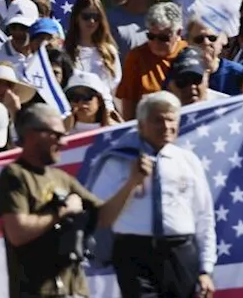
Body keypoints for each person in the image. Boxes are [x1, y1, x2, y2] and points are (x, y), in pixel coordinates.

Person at [0, 104, 148, 298]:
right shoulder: (15, 175)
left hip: (73, 289)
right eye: (57, 135)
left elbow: (104, 217)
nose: (64, 143)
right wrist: (61, 212)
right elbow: (17, 232)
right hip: (36, 291)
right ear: (34, 134)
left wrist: (132, 183)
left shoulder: (62, 178)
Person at [89, 92, 217, 298]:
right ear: (141, 125)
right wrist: (132, 182)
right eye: (158, 120)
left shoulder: (187, 160)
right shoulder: (117, 161)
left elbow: (204, 218)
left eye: (171, 119)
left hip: (180, 252)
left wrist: (206, 270)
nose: (166, 126)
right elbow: (101, 217)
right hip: (135, 253)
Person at [116, 2, 186, 119]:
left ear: (178, 33)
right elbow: (128, 103)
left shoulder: (188, 54)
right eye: (151, 36)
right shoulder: (137, 57)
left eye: (163, 38)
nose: (156, 43)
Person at [64, 0, 123, 92]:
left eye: (96, 17)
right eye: (86, 17)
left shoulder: (109, 51)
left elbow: (116, 84)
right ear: (76, 18)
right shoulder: (65, 50)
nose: (92, 21)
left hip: (105, 104)